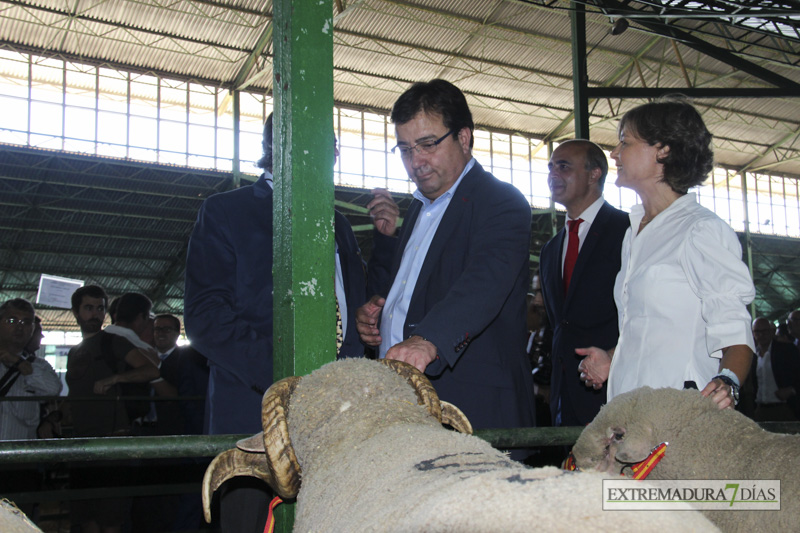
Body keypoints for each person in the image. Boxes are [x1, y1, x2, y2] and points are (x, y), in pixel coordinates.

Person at [184, 113, 396, 532]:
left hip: (339, 415)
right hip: (255, 416)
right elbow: (206, 318)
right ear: (274, 149)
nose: (325, 155)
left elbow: (356, 305)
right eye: (310, 145)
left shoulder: (336, 223)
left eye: (329, 146)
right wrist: (291, 376)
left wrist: (386, 243)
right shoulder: (227, 211)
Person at [355, 79, 535, 457]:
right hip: (405, 406)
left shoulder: (501, 202)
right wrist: (383, 312)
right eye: (404, 148)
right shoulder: (420, 207)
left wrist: (428, 339)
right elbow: (424, 287)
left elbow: (484, 282)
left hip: (470, 407)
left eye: (428, 144)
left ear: (464, 138)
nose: (415, 161)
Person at [578, 98, 755, 410]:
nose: (614, 153)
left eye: (625, 142)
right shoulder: (635, 233)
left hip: (678, 416)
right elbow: (650, 327)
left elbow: (735, 330)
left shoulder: (701, 231)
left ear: (664, 150)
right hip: (629, 412)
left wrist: (728, 381)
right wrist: (613, 359)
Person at [539, 139, 628, 427]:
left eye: (563, 166)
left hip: (615, 394)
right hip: (565, 399)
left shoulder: (627, 231)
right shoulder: (551, 249)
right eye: (551, 167)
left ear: (594, 174)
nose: (553, 174)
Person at [65, 286, 160, 533]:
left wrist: (115, 379)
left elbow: (151, 370)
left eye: (100, 308)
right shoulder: (75, 351)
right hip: (81, 443)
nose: (95, 314)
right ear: (75, 312)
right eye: (88, 308)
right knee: (87, 518)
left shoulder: (113, 342)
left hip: (111, 442)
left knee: (110, 520)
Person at [0, 300, 62, 440]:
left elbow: (53, 390)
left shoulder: (39, 366)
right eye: (11, 320)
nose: (19, 327)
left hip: (20, 454)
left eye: (26, 322)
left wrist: (19, 363)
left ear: (32, 329)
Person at [748, 317, 799, 421]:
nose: (761, 335)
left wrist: (791, 390)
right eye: (757, 332)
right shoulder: (752, 355)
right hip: (760, 409)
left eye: (765, 331)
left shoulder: (786, 350)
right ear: (752, 333)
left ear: (772, 331)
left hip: (784, 409)